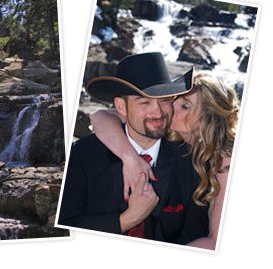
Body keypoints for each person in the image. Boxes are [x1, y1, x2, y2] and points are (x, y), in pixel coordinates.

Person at [57, 52, 209, 244]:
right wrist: (126, 220)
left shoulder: (192, 160)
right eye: (145, 102)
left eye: (164, 100)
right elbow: (66, 226)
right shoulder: (83, 155)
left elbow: (194, 236)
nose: (158, 112)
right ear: (121, 107)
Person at [89, 70, 237, 250]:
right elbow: (99, 116)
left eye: (185, 106)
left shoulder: (226, 160)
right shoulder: (170, 133)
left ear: (207, 118)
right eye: (172, 100)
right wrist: (129, 157)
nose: (168, 108)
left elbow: (216, 243)